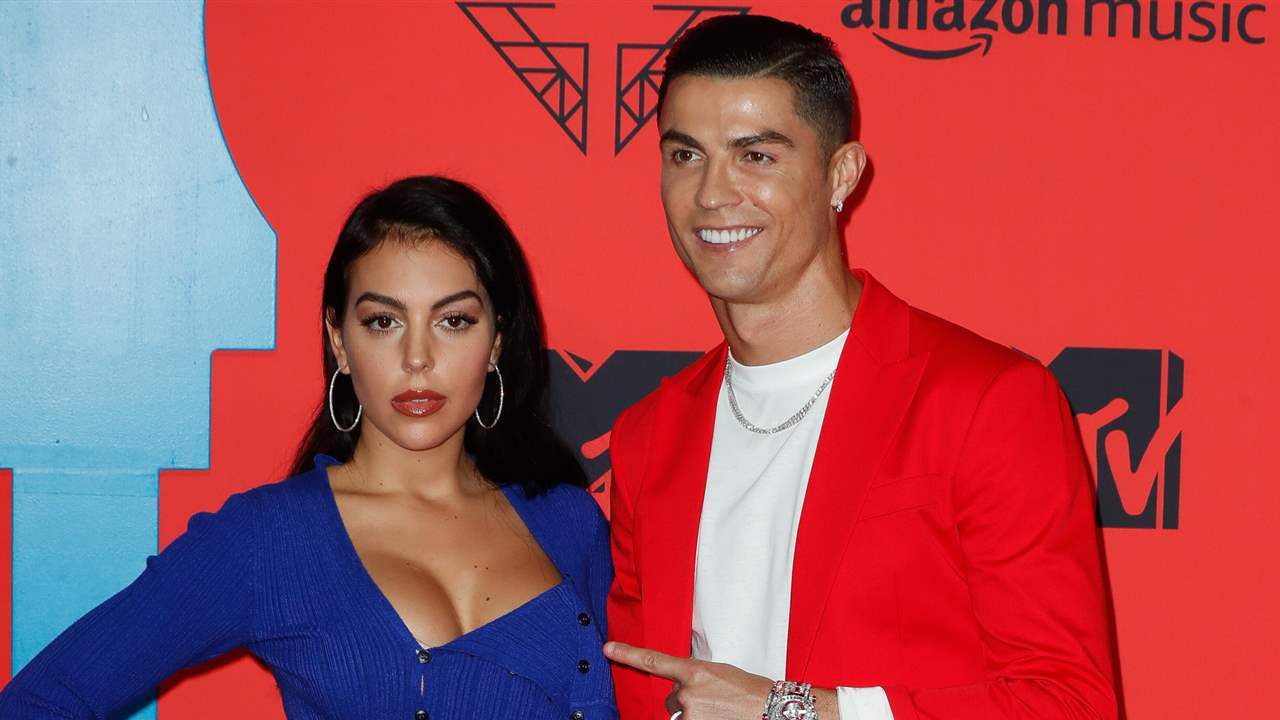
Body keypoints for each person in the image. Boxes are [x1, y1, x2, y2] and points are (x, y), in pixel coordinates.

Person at [603, 15, 1117, 720]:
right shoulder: (648, 437)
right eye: (686, 154)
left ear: (840, 174)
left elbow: (1069, 704)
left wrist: (793, 710)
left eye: (757, 156)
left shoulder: (984, 401)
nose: (713, 193)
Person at [0, 176, 617, 720]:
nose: (418, 358)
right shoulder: (271, 539)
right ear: (340, 341)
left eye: (453, 320)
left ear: (496, 341)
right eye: (384, 321)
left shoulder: (570, 523)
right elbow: (43, 701)